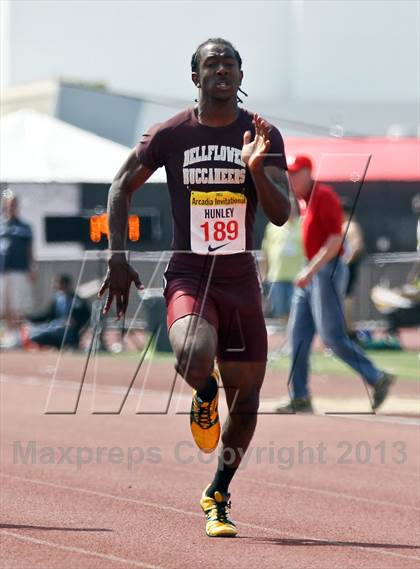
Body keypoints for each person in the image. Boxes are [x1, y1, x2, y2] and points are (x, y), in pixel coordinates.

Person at [99, 38, 291, 537]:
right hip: (189, 272)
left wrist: (254, 168)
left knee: (246, 401)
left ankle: (218, 493)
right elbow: (120, 185)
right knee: (195, 354)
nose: (222, 70)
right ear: (196, 77)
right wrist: (117, 258)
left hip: (240, 277)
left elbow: (281, 213)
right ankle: (203, 391)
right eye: (212, 64)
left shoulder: (262, 133)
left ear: (240, 74)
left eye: (230, 64)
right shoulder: (172, 134)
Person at [276, 155, 395, 414]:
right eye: (290, 173)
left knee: (331, 336)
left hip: (326, 271)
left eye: (297, 172)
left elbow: (334, 240)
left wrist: (311, 269)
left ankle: (376, 376)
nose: (292, 177)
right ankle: (300, 396)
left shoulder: (324, 196)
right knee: (297, 336)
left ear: (309, 172)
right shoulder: (303, 201)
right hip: (312, 273)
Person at [261, 195, 304, 325]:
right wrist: (264, 274)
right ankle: (288, 339)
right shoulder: (272, 226)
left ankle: (293, 338)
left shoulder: (303, 223)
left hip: (297, 276)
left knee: (296, 311)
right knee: (280, 312)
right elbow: (266, 251)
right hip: (276, 276)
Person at [0, 190, 35, 347]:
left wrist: (32, 267)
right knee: (5, 304)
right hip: (3, 271)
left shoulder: (25, 227)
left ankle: (18, 336)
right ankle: (9, 334)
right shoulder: (1, 226)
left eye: (14, 203)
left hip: (19, 270)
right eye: (9, 203)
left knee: (17, 304)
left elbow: (30, 250)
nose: (11, 206)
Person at [22, 274, 91, 349]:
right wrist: (28, 317)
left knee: (60, 333)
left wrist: (76, 323)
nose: (55, 284)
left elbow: (86, 316)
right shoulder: (57, 299)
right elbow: (47, 316)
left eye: (58, 282)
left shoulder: (77, 300)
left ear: (65, 284)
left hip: (70, 332)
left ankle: (68, 345)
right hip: (55, 327)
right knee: (34, 334)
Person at [341, 199, 365, 339]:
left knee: (346, 298)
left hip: (348, 267)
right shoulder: (347, 225)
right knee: (345, 298)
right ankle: (348, 329)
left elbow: (357, 246)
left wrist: (345, 263)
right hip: (347, 267)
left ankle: (349, 331)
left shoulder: (350, 226)